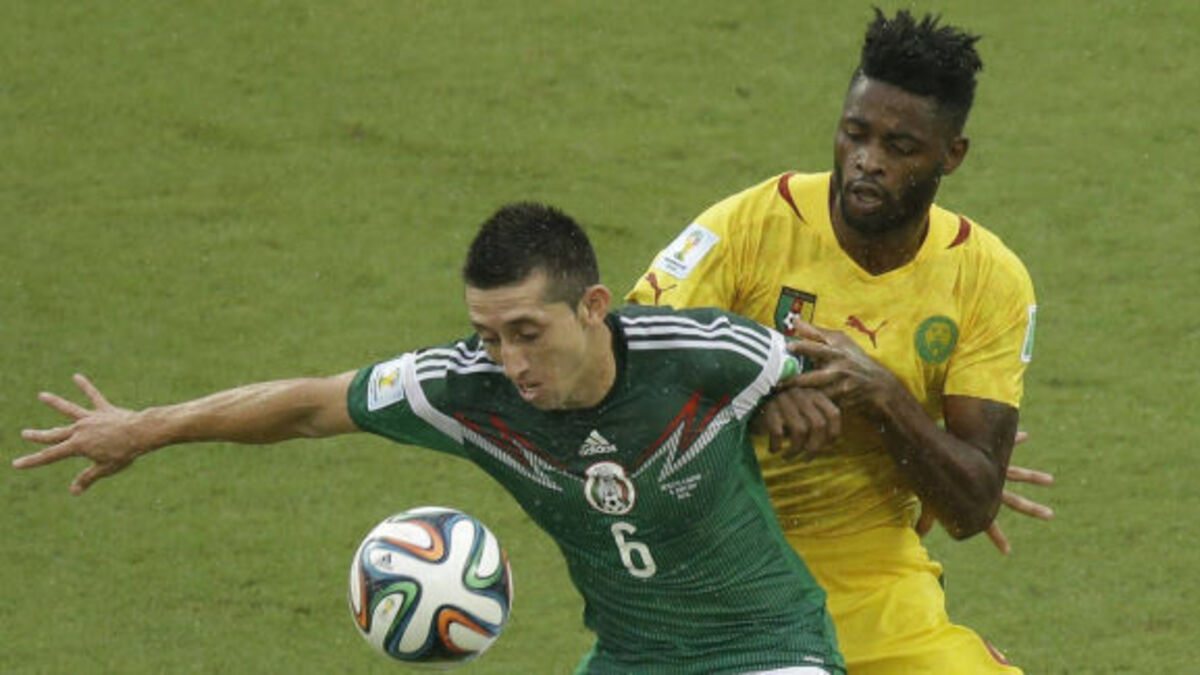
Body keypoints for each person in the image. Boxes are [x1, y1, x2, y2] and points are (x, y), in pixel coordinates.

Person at [14, 203, 845, 675]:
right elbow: (309, 405)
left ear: (593, 306)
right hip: (631, 658)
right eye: (488, 335)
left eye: (527, 332)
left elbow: (842, 373)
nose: (509, 361)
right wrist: (145, 428)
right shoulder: (465, 387)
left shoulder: (709, 352)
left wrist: (793, 393)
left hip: (767, 648)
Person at [628, 9, 1045, 674]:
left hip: (871, 574)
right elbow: (624, 356)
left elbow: (971, 505)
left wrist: (885, 396)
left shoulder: (987, 278)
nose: (867, 161)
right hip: (717, 561)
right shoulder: (748, 228)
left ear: (951, 155)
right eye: (856, 133)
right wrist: (759, 391)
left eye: (900, 147)